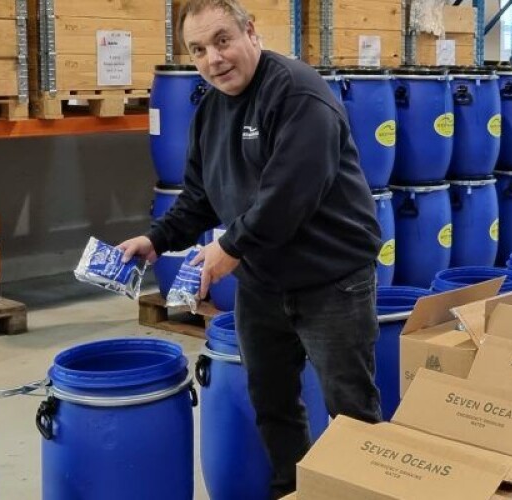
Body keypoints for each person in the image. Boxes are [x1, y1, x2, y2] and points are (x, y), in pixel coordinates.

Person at [117, 0, 382, 496]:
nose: (213, 59)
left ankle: (360, 492)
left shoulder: (299, 94)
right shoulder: (210, 110)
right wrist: (155, 239)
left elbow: (290, 194)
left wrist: (231, 249)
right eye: (198, 50)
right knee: (273, 402)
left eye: (222, 41)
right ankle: (290, 490)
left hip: (332, 279)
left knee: (349, 408)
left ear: (250, 33)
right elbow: (199, 196)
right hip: (263, 282)